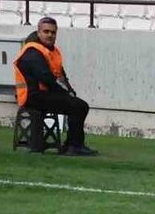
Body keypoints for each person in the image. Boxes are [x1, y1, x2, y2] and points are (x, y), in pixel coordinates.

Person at [13, 17, 97, 156]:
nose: (50, 35)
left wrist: (69, 91)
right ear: (38, 32)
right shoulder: (32, 52)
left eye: (53, 32)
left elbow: (60, 75)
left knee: (77, 104)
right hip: (33, 96)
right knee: (79, 106)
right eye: (46, 31)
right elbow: (46, 78)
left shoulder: (51, 51)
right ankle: (73, 145)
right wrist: (65, 94)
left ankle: (73, 144)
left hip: (43, 94)